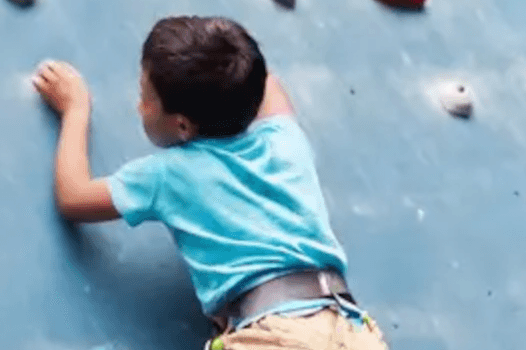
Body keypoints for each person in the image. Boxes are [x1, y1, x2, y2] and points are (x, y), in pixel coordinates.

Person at [32, 15, 388, 350]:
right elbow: (266, 82)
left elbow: (74, 197)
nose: (138, 106)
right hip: (351, 332)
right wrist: (220, 59)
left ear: (183, 125)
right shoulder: (284, 138)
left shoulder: (169, 173)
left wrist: (75, 108)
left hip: (275, 338)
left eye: (145, 96)